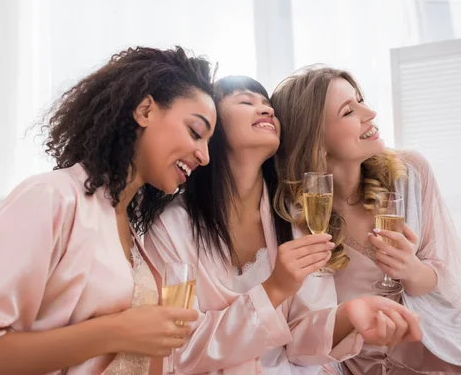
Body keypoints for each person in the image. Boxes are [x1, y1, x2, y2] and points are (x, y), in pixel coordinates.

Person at [0, 46, 217, 375]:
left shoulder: (127, 224)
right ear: (145, 111)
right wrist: (116, 332)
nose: (203, 155)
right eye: (195, 132)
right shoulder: (52, 198)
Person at [142, 75, 422, 374]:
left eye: (267, 105)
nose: (266, 110)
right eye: (247, 102)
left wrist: (349, 315)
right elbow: (181, 350)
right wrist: (275, 289)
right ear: (211, 126)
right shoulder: (169, 227)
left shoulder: (295, 216)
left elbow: (300, 345)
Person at [271, 65, 461, 374]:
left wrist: (411, 269)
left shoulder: (409, 173)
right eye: (349, 111)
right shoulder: (298, 215)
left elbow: (448, 279)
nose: (370, 113)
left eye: (361, 100)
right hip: (359, 365)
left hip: (433, 347)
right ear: (314, 139)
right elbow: (306, 325)